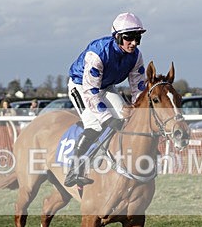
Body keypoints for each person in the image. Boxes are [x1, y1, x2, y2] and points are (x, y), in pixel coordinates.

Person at [63, 12, 147, 187]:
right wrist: (107, 119)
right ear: (117, 37)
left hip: (105, 86)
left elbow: (138, 89)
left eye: (137, 38)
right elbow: (91, 91)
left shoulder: (136, 56)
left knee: (126, 116)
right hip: (81, 86)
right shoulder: (98, 53)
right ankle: (74, 170)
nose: (134, 43)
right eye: (129, 38)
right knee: (95, 124)